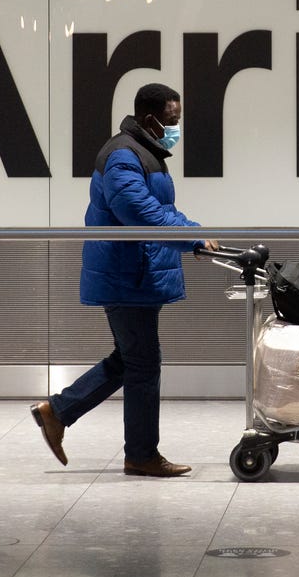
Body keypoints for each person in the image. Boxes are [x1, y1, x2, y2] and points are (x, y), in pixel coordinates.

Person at [31, 82, 218, 477]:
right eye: (172, 121)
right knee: (143, 364)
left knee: (130, 360)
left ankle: (58, 411)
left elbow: (160, 207)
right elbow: (139, 211)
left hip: (133, 272)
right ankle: (141, 455)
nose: (175, 128)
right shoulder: (122, 157)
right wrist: (191, 237)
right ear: (150, 118)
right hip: (127, 276)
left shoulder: (142, 152)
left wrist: (193, 231)